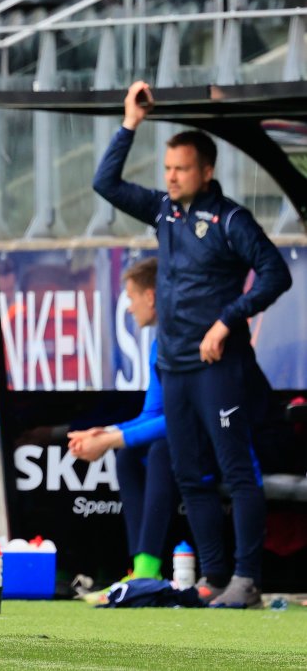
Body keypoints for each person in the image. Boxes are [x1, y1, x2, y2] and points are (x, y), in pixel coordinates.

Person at [92, 80, 293, 608]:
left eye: (181, 169)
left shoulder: (230, 220)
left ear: (205, 171)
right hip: (174, 366)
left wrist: (228, 321)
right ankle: (214, 577)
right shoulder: (164, 212)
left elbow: (275, 273)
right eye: (167, 169)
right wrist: (129, 123)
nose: (171, 177)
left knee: (236, 470)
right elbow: (106, 183)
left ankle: (247, 579)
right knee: (188, 474)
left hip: (219, 366)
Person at [68, 258, 177, 584]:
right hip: (183, 439)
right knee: (129, 455)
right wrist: (105, 433)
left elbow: (180, 420)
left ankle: (147, 570)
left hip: (220, 441)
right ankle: (140, 568)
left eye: (130, 298)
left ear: (151, 297)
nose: (128, 308)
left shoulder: (184, 341)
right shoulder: (159, 344)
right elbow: (152, 415)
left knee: (159, 451)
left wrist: (108, 440)